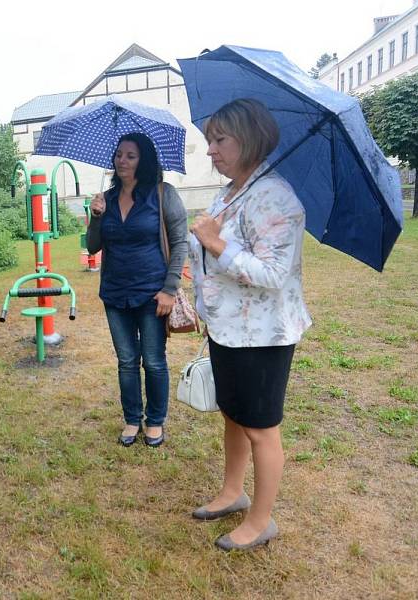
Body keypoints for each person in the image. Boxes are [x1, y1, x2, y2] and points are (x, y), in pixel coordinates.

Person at [188, 98, 311, 550]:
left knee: (261, 426)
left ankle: (261, 521)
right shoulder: (231, 192)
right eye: (209, 141)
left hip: (263, 334)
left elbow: (274, 275)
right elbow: (210, 251)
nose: (211, 151)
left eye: (220, 140)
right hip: (228, 328)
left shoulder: (277, 197)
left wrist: (217, 245)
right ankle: (232, 492)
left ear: (251, 138)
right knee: (234, 416)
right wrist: (204, 296)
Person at [86, 132, 188, 448]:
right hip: (115, 293)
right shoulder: (107, 198)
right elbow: (92, 246)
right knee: (127, 361)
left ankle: (155, 421)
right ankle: (133, 419)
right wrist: (96, 217)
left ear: (143, 160)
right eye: (118, 154)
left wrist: (170, 289)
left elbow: (181, 242)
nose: (122, 160)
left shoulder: (162, 194)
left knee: (154, 361)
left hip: (152, 293)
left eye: (130, 155)